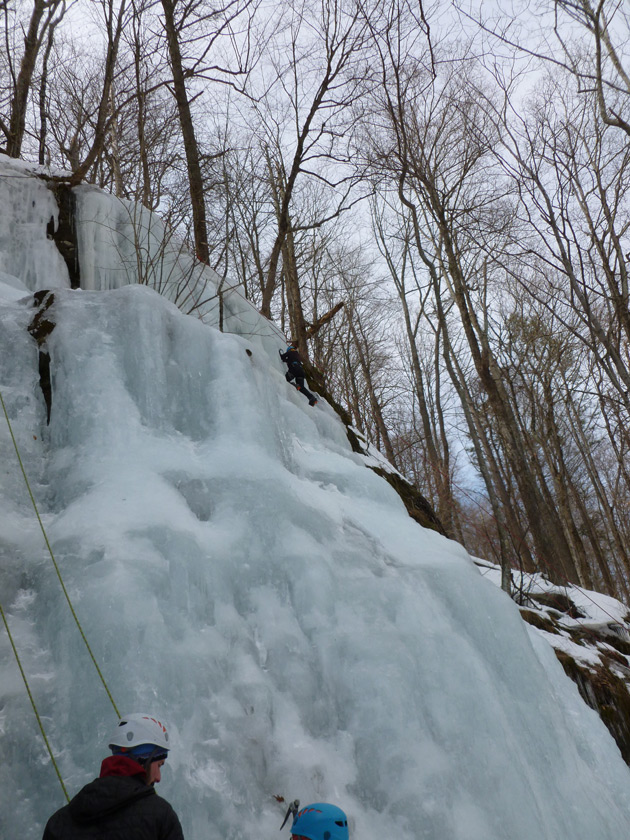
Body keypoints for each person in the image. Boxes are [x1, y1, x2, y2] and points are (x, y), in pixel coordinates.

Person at [42, 713, 184, 840]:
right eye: (159, 765)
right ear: (143, 759)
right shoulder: (160, 817)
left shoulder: (60, 821)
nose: (158, 777)